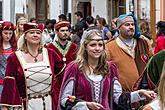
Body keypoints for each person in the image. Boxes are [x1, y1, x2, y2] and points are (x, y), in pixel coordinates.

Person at [58, 29, 156, 110]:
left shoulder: (110, 68)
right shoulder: (74, 68)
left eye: (100, 45)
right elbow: (64, 100)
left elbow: (118, 97)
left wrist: (140, 93)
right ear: (85, 47)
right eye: (93, 45)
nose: (97, 48)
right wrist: (86, 105)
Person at [0, 23, 61, 110]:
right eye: (32, 32)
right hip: (26, 105)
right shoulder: (14, 58)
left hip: (49, 104)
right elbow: (9, 85)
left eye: (38, 33)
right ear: (25, 36)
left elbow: (64, 76)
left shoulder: (50, 54)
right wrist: (6, 107)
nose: (35, 35)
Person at [105, 13, 152, 92]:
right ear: (119, 28)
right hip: (123, 96)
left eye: (132, 24)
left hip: (145, 94)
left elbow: (151, 64)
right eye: (127, 25)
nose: (131, 27)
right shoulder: (109, 47)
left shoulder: (144, 43)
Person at [46, 20, 78, 109]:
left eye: (67, 30)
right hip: (56, 83)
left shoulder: (74, 47)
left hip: (71, 81)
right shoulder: (49, 48)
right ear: (56, 32)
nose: (65, 33)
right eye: (62, 31)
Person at [0, 21, 17, 95]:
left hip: (13, 80)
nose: (8, 36)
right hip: (1, 81)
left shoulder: (15, 46)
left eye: (10, 33)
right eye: (5, 33)